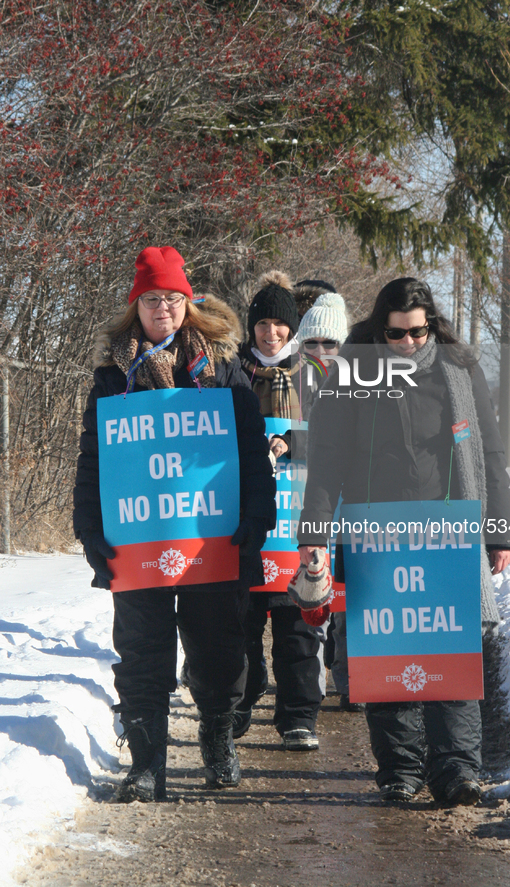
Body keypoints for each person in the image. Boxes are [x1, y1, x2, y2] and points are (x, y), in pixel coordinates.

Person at [298, 277, 510, 806]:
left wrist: (500, 529)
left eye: (418, 332)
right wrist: (314, 533)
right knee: (388, 651)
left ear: (431, 325)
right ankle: (400, 768)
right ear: (379, 328)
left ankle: (457, 770)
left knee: (453, 648)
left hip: (449, 528)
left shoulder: (458, 369)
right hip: (376, 532)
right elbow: (326, 459)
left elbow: (487, 452)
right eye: (397, 334)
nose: (409, 343)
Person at [73, 246, 275, 801]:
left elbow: (252, 454)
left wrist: (258, 516)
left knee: (217, 649)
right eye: (152, 299)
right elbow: (94, 460)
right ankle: (146, 764)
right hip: (138, 541)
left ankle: (216, 733)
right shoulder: (114, 377)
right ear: (136, 305)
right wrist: (90, 529)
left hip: (212, 537)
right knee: (142, 650)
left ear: (189, 303)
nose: (163, 308)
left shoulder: (224, 369)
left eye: (173, 298)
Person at [236, 270, 325, 751]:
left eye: (280, 325)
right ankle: (242, 699)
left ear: (293, 329)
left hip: (299, 515)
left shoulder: (313, 373)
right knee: (242, 622)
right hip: (246, 515)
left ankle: (298, 716)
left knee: (298, 623)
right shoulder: (231, 372)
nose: (270, 334)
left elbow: (337, 433)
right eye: (263, 324)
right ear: (251, 328)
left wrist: (290, 440)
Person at [297, 292, 362, 713]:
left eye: (330, 343)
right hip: (300, 505)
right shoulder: (290, 383)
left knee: (347, 598)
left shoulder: (364, 385)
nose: (321, 352)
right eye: (312, 343)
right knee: (309, 598)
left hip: (351, 504)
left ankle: (350, 681)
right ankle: (305, 688)